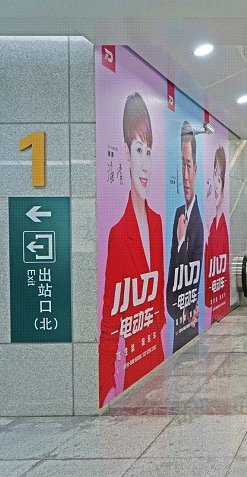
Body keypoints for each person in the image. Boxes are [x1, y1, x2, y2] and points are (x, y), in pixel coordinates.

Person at [99, 92, 166, 407]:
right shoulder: (118, 235)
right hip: (133, 376)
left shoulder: (157, 223)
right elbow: (109, 326)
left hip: (159, 361)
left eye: (148, 151)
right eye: (138, 149)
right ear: (126, 154)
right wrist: (106, 389)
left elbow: (159, 306)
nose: (144, 162)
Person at [167, 121, 204, 352]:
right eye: (182, 165)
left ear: (196, 169)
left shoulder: (198, 224)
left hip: (189, 327)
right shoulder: (179, 214)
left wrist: (181, 243)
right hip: (178, 326)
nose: (186, 176)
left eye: (189, 166)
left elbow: (190, 280)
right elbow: (171, 287)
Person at [204, 146, 231, 322]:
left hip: (219, 310)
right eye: (214, 175)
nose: (214, 183)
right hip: (214, 312)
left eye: (219, 179)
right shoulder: (211, 226)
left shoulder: (222, 228)